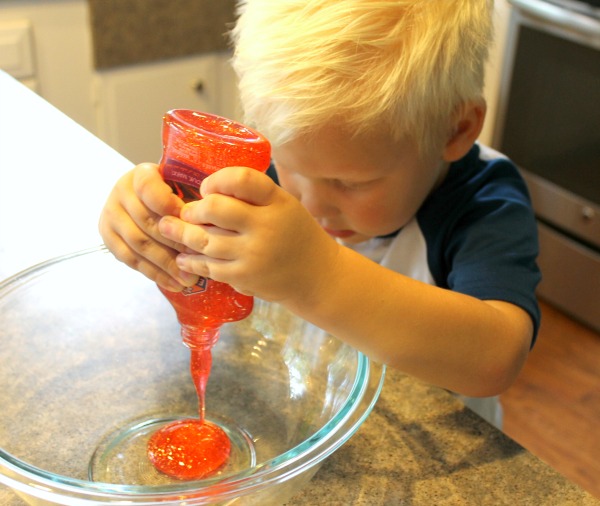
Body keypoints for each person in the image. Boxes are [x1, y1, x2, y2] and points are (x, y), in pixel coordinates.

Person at [98, 0, 540, 428]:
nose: (310, 203)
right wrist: (145, 219)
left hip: (430, 438)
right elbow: (191, 240)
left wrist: (316, 275)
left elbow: (496, 359)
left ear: (455, 129)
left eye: (349, 183)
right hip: (312, 402)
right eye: (287, 165)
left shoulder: (485, 203)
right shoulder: (278, 174)